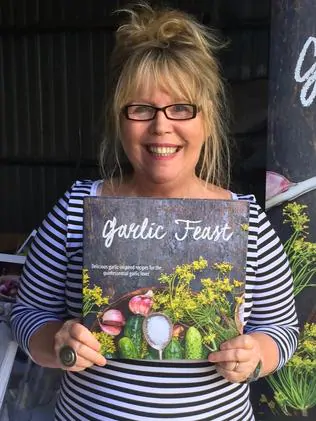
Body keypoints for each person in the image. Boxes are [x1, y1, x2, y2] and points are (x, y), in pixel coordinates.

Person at [11, 2, 299, 420]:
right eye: (141, 108)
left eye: (181, 108)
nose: (161, 126)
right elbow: (27, 317)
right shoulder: (78, 209)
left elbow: (282, 331)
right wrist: (58, 342)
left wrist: (257, 355)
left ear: (206, 120)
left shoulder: (247, 221)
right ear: (121, 120)